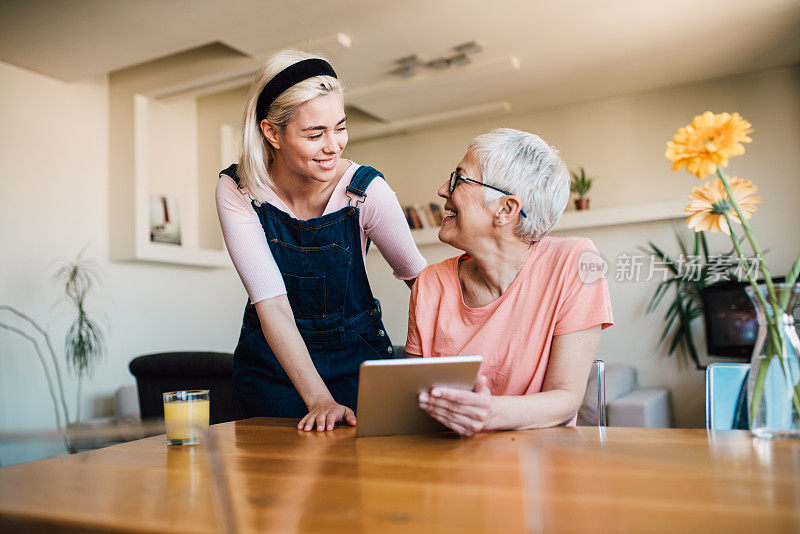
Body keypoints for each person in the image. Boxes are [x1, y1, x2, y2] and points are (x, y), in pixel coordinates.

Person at [216, 50, 426, 431]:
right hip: (272, 371)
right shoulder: (239, 190)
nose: (334, 146)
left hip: (360, 365)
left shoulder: (366, 192)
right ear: (271, 133)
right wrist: (320, 400)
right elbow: (273, 306)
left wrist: (435, 370)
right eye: (315, 134)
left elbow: (424, 286)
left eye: (340, 127)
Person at [406, 128, 613, 437]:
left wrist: (490, 414)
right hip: (448, 465)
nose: (441, 190)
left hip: (541, 466)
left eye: (458, 180)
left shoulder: (576, 262)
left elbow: (566, 398)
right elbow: (412, 403)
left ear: (505, 210)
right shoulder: (430, 283)